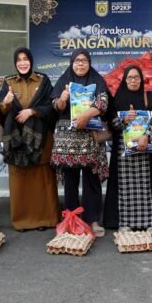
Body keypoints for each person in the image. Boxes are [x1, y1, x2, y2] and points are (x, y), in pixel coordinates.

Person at [0, 47, 59, 231]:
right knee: (20, 182)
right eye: (19, 60)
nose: (22, 63)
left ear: (31, 61)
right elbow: (1, 112)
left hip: (41, 140)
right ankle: (22, 221)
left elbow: (52, 108)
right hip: (17, 140)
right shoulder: (8, 82)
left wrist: (32, 112)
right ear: (15, 63)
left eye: (26, 59)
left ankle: (45, 219)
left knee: (42, 180)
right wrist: (6, 102)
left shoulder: (43, 80)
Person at [50, 48, 109, 237]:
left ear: (89, 63)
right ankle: (71, 220)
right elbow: (56, 107)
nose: (80, 64)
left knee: (92, 179)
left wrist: (85, 115)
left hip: (89, 136)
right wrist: (63, 99)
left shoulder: (96, 79)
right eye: (77, 60)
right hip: (68, 140)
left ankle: (93, 220)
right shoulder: (63, 79)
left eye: (84, 60)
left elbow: (104, 102)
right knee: (70, 180)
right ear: (71, 62)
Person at [103, 65, 152, 231]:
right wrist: (124, 119)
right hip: (122, 153)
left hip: (144, 150)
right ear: (124, 80)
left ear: (141, 79)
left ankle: (150, 222)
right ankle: (124, 223)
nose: (133, 81)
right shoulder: (117, 100)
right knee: (124, 188)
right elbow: (111, 123)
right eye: (129, 78)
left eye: (136, 77)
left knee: (145, 187)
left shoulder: (148, 97)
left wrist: (147, 135)